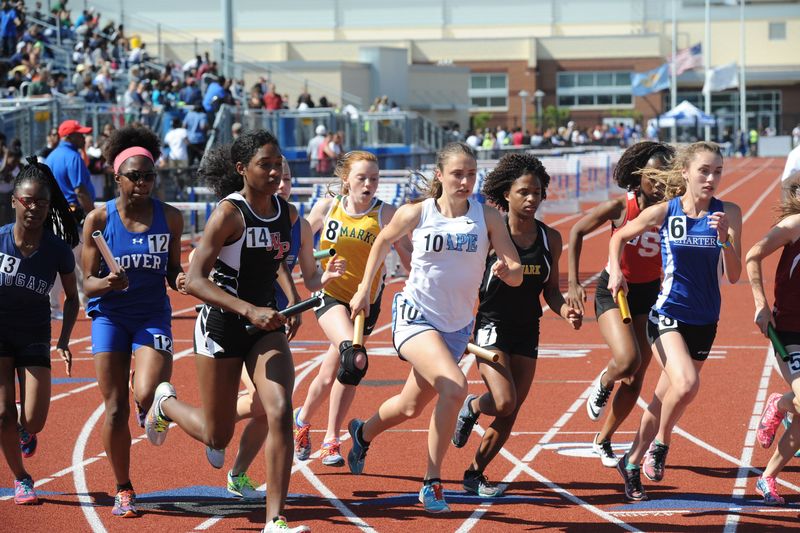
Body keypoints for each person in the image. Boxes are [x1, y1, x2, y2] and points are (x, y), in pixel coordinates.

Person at [145, 130, 309, 532]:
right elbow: (196, 280)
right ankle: (165, 405)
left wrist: (289, 300)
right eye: (264, 165)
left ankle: (276, 520)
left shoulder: (287, 214)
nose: (275, 172)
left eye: (278, 164)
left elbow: (276, 260)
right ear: (242, 170)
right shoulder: (228, 214)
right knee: (216, 436)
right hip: (220, 327)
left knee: (280, 409)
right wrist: (248, 308)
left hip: (263, 330)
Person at [346, 142, 523, 513]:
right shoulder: (419, 212)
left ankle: (362, 434)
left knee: (409, 406)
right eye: (458, 173)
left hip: (456, 328)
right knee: (455, 388)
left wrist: (509, 270)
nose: (465, 181)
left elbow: (517, 270)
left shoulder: (487, 216)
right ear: (440, 175)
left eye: (471, 174)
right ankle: (432, 481)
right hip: (415, 316)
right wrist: (364, 288)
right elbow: (382, 240)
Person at [608, 141, 742, 501]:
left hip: (705, 319)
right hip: (667, 314)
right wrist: (613, 272)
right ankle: (661, 445)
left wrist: (723, 239)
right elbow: (620, 235)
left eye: (717, 171)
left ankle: (632, 461)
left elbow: (733, 275)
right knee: (686, 385)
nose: (711, 178)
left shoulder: (728, 212)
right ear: (685, 172)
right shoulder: (666, 211)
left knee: (663, 398)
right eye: (704, 170)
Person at [451, 153, 582, 497]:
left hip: (528, 329)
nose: (531, 199)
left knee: (511, 412)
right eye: (523, 192)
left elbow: (551, 291)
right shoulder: (490, 234)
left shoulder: (549, 238)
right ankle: (473, 407)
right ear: (506, 194)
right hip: (491, 327)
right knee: (504, 400)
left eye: (537, 193)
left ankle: (475, 474)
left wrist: (565, 309)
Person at [221, 157, 346, 499]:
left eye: (288, 179)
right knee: (264, 402)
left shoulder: (298, 224)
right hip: (234, 319)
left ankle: (237, 474)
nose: (282, 184)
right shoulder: (239, 214)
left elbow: (311, 277)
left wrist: (327, 277)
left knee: (272, 405)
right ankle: (212, 425)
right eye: (278, 177)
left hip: (273, 322)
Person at [82, 126, 186, 517]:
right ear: (118, 177)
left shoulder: (170, 218)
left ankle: (147, 401)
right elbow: (86, 285)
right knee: (113, 409)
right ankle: (123, 487)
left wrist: (180, 278)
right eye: (135, 176)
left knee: (148, 393)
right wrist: (107, 282)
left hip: (151, 314)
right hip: (109, 317)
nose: (143, 183)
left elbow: (173, 271)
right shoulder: (98, 218)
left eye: (149, 176)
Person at [292, 151, 411, 468]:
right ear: (346, 179)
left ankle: (301, 419)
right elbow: (298, 242)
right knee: (353, 360)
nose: (369, 184)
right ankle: (331, 440)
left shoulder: (387, 214)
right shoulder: (327, 208)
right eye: (362, 178)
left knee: (331, 372)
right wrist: (319, 266)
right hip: (331, 294)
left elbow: (412, 259)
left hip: (366, 302)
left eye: (374, 178)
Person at [567, 141, 675, 468]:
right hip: (614, 290)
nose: (658, 184)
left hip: (648, 294)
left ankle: (604, 439)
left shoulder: (672, 209)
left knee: (636, 378)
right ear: (638, 176)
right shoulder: (619, 207)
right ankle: (602, 381)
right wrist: (572, 283)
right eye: (653, 177)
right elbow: (576, 232)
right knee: (627, 360)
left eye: (665, 177)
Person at [0, 158, 80, 505]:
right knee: (2, 412)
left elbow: (74, 299)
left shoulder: (57, 249)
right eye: (27, 201)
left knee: (34, 420)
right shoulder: (0, 240)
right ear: (14, 200)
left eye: (41, 203)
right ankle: (22, 479)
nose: (33, 208)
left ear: (49, 208)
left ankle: (23, 432)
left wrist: (63, 340)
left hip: (34, 332)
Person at [745, 170, 800, 505]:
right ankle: (780, 404)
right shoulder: (794, 225)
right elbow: (753, 254)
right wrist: (761, 303)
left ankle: (767, 478)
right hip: (790, 331)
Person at [46, 119, 95, 317]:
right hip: (73, 216)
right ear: (68, 136)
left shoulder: (51, 156)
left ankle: (53, 306)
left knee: (59, 261)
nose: (83, 137)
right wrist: (93, 213)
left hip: (55, 215)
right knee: (82, 261)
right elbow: (80, 189)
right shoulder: (73, 156)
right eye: (79, 134)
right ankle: (86, 301)